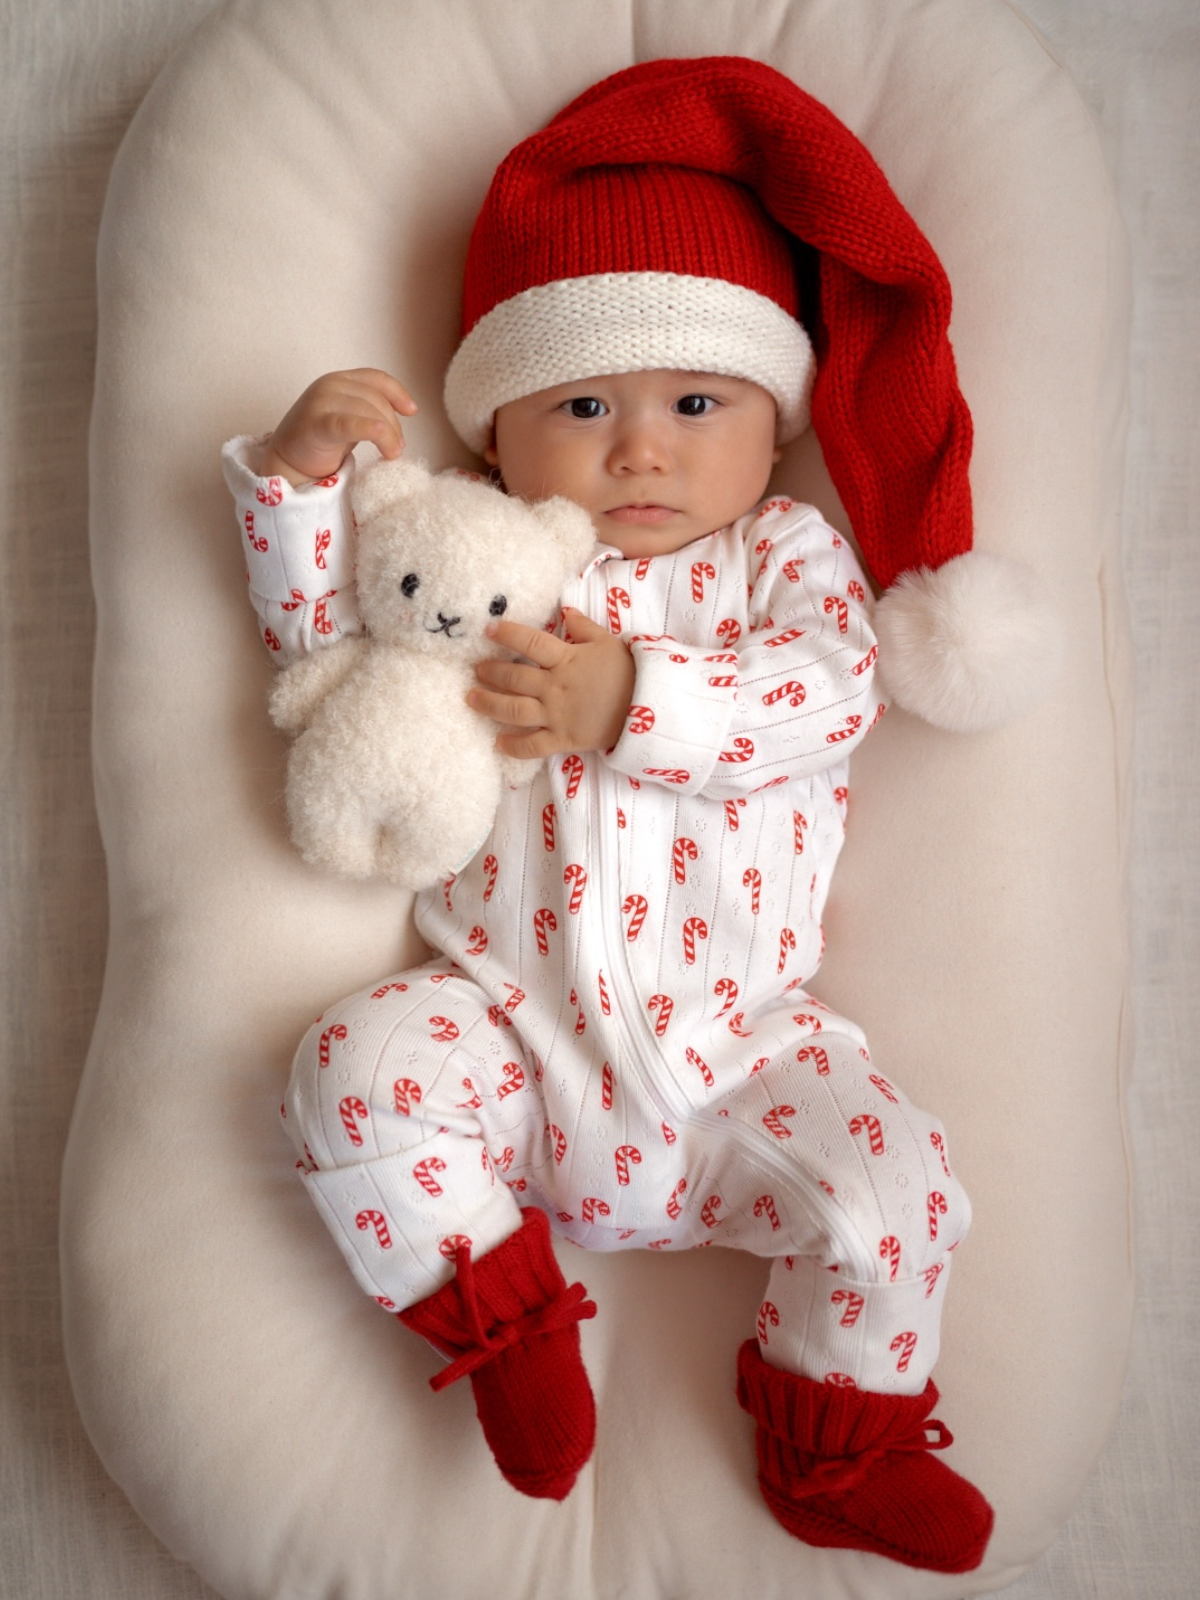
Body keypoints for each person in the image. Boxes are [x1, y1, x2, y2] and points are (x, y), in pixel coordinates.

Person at [222, 56, 1006, 1575]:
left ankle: (837, 1442)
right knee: (348, 1071)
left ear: (771, 428)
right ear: (497, 432)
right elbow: (328, 633)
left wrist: (635, 700)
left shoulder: (782, 557)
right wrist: (301, 488)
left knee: (894, 1197)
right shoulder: (492, 541)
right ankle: (500, 1315)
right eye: (584, 402)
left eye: (694, 403)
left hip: (742, 1055)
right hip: (507, 1029)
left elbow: (837, 691)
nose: (641, 446)